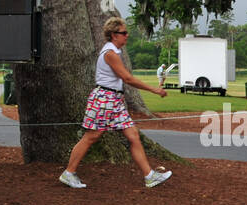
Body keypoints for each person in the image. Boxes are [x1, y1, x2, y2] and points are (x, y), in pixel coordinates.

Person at [60, 17, 173, 189]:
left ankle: (149, 176)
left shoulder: (113, 51)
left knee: (133, 135)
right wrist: (154, 90)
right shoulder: (110, 53)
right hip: (104, 98)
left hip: (115, 100)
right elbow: (127, 78)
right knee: (92, 136)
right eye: (124, 33)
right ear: (114, 35)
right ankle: (69, 173)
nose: (127, 36)